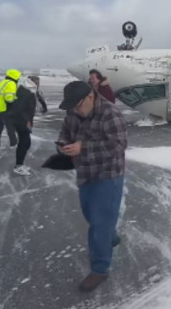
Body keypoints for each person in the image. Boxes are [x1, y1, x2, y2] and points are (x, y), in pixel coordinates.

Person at [58, 81, 127, 292]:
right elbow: (65, 133)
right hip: (85, 173)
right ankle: (110, 237)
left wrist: (83, 147)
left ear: (90, 97)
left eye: (77, 105)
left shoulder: (110, 113)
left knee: (98, 226)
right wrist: (63, 146)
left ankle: (100, 269)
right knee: (92, 217)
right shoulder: (73, 112)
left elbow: (118, 144)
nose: (74, 110)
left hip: (108, 175)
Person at [8, 78, 39, 176]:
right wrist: (27, 121)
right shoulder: (26, 93)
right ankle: (18, 167)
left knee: (26, 143)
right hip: (20, 122)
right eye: (37, 82)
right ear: (32, 82)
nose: (38, 84)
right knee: (24, 143)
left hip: (21, 121)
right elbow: (18, 109)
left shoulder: (26, 91)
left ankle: (20, 164)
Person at [0, 69, 21, 150]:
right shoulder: (11, 83)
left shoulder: (3, 82)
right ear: (15, 77)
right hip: (3, 108)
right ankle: (13, 144)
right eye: (18, 77)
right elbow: (8, 97)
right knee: (10, 126)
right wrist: (15, 103)